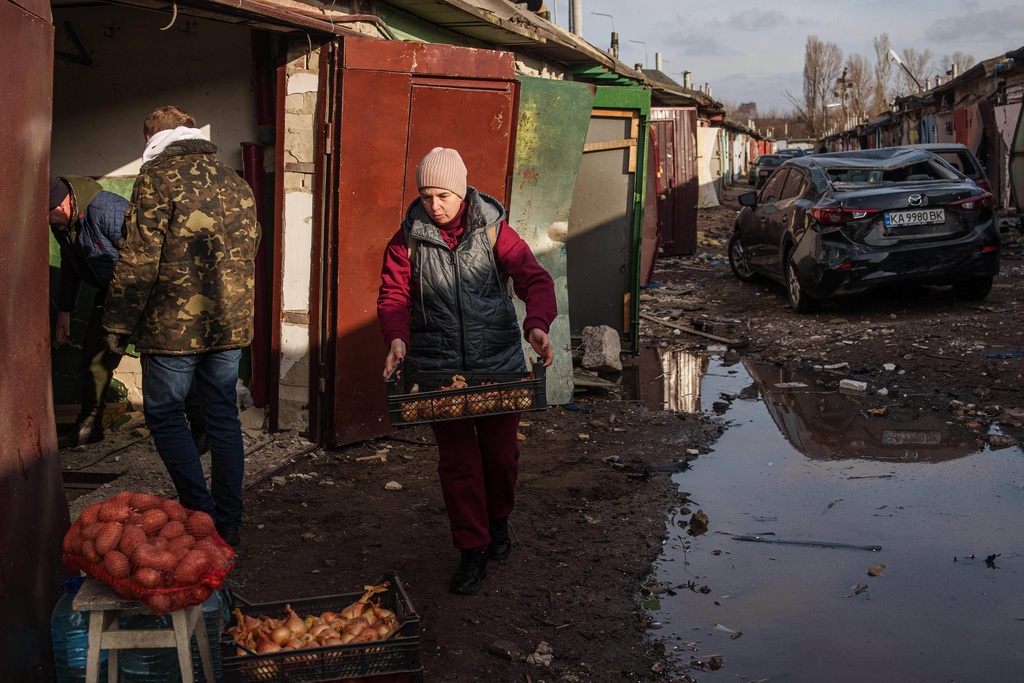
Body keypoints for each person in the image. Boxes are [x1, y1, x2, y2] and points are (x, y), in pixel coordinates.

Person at [377, 147, 557, 594]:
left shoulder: (495, 231)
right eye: (425, 195)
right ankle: (471, 550)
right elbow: (393, 296)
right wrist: (396, 337)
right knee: (458, 465)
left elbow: (536, 280)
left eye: (442, 195)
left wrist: (536, 325)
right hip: (436, 373)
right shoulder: (408, 239)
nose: (433, 205)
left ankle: (499, 521)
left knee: (501, 457)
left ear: (460, 193)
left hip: (498, 365)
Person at [102, 105, 260, 546]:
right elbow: (254, 243)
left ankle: (200, 513)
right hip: (229, 324)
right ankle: (229, 517)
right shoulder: (234, 180)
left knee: (165, 414)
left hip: (173, 328)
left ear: (154, 141)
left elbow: (137, 260)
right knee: (223, 416)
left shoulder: (155, 180)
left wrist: (117, 322)